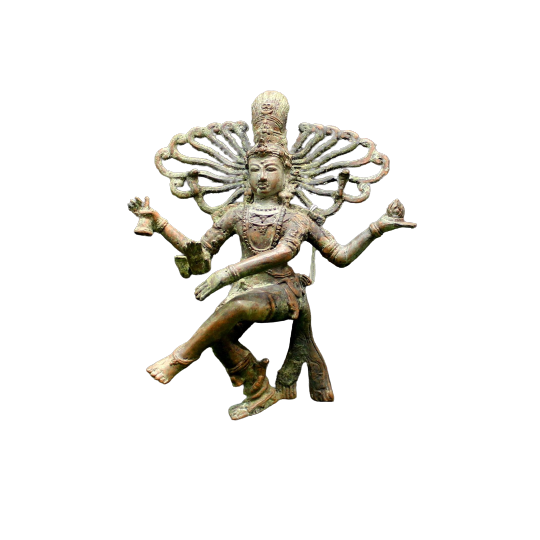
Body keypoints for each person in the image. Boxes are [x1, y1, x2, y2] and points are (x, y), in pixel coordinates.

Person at [128, 91, 416, 419]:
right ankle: (259, 390)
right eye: (255, 169)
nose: (262, 177)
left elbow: (332, 255)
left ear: (287, 174)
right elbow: (202, 255)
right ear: (246, 174)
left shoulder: (296, 218)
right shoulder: (236, 214)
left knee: (234, 308)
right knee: (218, 337)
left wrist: (377, 227)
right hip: (244, 290)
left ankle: (180, 357)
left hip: (282, 292)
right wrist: (161, 224)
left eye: (270, 169)